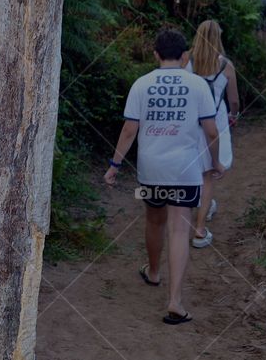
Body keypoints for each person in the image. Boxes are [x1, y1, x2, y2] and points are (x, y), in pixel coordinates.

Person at [104, 29, 223, 325]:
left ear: (155, 54)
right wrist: (217, 162)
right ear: (185, 56)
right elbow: (210, 131)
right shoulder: (197, 85)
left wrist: (114, 165)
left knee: (154, 220)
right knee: (180, 230)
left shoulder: (141, 84)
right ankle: (175, 302)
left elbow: (130, 130)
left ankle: (154, 272)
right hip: (185, 168)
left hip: (151, 168)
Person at [185, 20, 239, 248]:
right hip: (215, 121)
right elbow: (234, 99)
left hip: (188, 122)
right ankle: (199, 231)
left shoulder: (186, 59)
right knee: (208, 174)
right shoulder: (226, 65)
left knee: (191, 170)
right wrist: (234, 114)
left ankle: (187, 219)